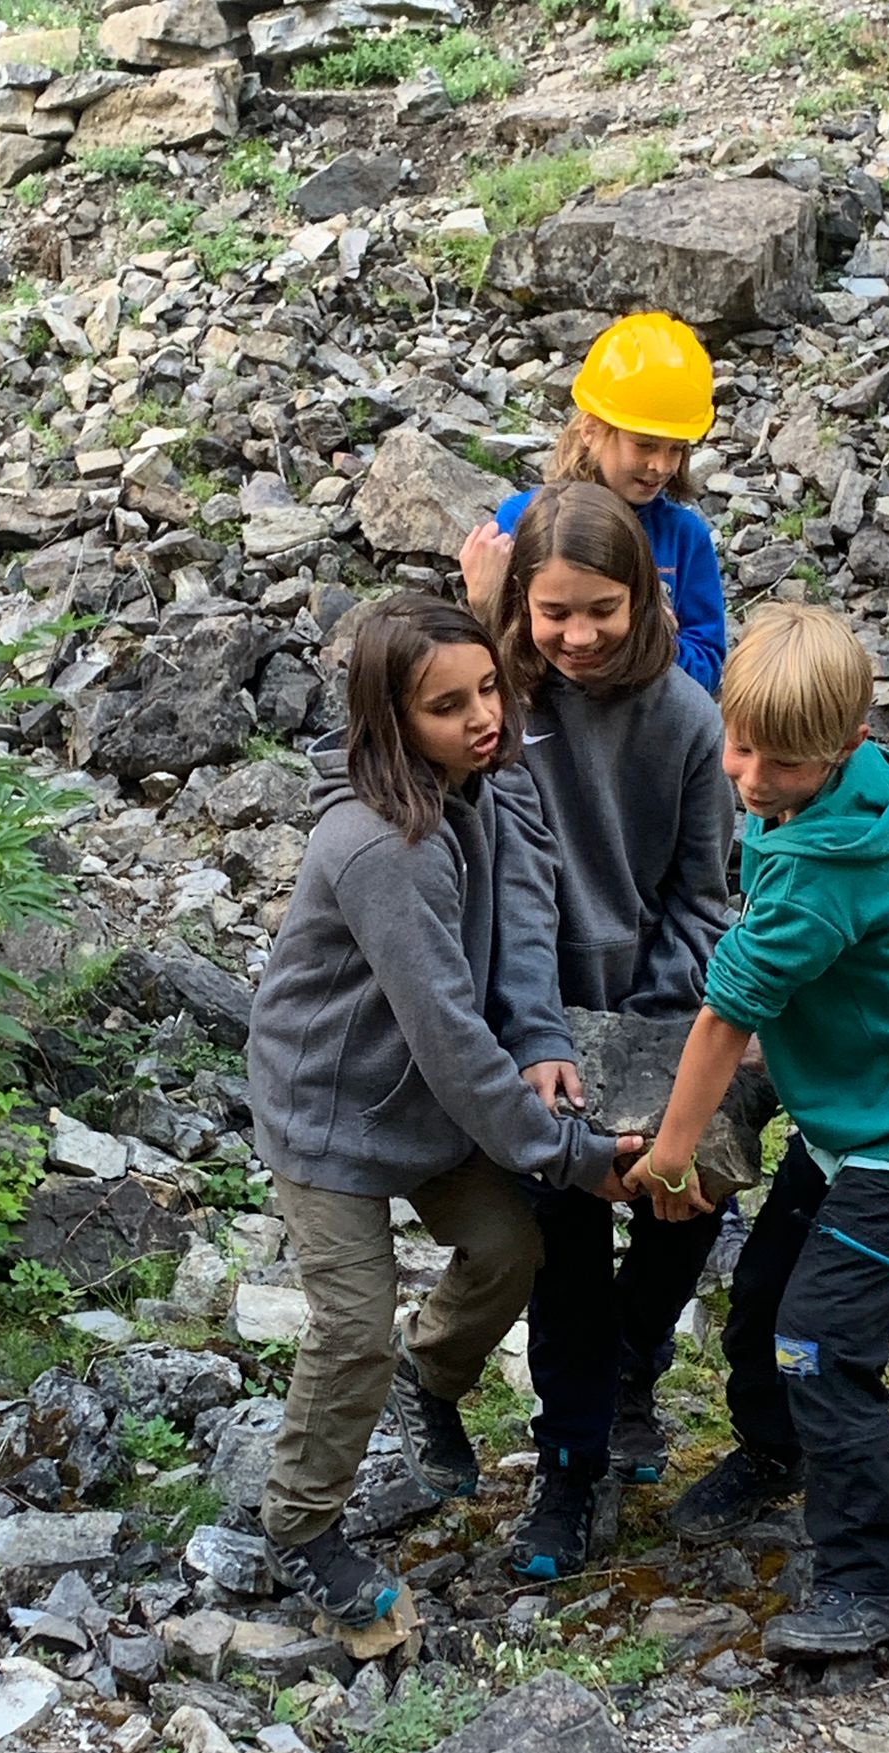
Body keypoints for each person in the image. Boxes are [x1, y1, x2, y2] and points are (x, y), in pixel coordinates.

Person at [624, 604, 889, 1660]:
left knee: (820, 1338)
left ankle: (867, 1582)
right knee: (763, 1295)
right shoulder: (829, 798)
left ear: (847, 743)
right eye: (739, 746)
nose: (752, 780)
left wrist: (673, 1154)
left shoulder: (824, 870)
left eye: (783, 762)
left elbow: (726, 1015)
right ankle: (776, 1452)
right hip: (855, 1103)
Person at [246, 592, 640, 1628]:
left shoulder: (485, 786)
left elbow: (523, 918)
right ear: (392, 721)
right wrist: (573, 1155)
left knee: (508, 1246)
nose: (484, 719)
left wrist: (543, 1040)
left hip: (423, 1102)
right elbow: (452, 1037)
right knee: (352, 1328)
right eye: (447, 706)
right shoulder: (385, 849)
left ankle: (434, 1377)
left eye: (490, 691)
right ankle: (299, 1528)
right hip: (328, 1111)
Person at [463, 481, 735, 1580]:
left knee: (688, 1203)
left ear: (644, 600)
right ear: (522, 605)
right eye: (554, 612)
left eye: (601, 611)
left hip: (660, 1015)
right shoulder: (504, 717)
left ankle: (635, 1364)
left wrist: (658, 1042)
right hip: (537, 1016)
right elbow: (517, 895)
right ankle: (570, 1462)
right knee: (564, 1242)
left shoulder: (688, 720)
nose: (577, 636)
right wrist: (541, 1037)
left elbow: (702, 897)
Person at [477, 311, 727, 694]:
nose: (661, 466)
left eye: (676, 449)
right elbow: (495, 666)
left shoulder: (685, 537)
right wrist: (486, 604)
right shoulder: (523, 520)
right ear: (591, 430)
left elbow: (707, 666)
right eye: (644, 445)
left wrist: (652, 639)